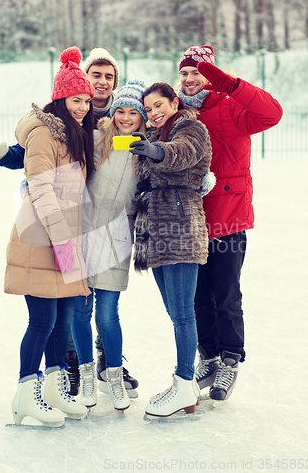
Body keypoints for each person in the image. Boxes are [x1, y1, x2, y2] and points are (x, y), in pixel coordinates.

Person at [0, 48, 139, 398]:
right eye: (93, 77)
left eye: (108, 77)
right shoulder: (58, 123)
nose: (97, 88)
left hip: (94, 231)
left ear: (115, 83)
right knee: (59, 315)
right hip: (62, 230)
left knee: (89, 311)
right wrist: (7, 156)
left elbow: (136, 144)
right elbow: (37, 157)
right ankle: (67, 371)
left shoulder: (115, 120)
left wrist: (171, 157)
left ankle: (99, 365)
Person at [177, 45, 283, 401]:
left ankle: (230, 359)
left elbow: (272, 113)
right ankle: (208, 355)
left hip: (229, 217)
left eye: (197, 72)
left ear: (211, 75)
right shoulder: (178, 113)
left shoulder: (234, 107)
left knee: (225, 294)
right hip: (191, 218)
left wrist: (229, 82)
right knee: (196, 296)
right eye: (185, 73)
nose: (190, 80)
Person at [5, 46, 95, 427]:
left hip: (64, 240)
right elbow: (41, 190)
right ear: (60, 98)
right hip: (41, 238)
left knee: (62, 320)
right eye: (76, 99)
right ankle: (26, 394)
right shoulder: (44, 134)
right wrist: (62, 240)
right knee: (41, 321)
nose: (83, 107)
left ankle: (57, 389)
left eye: (87, 101)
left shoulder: (74, 134)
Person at [129, 82, 212, 418]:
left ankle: (183, 382)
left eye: (158, 105)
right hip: (156, 232)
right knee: (175, 313)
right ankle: (186, 383)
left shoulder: (190, 127)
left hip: (180, 228)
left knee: (182, 315)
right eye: (148, 109)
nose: (153, 112)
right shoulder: (153, 133)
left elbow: (183, 152)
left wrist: (154, 152)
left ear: (174, 101)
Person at [73, 79, 147, 411]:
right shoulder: (95, 138)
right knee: (80, 310)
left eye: (134, 112)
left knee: (107, 314)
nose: (126, 118)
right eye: (122, 111)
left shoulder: (144, 148)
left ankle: (113, 378)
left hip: (118, 237)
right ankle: (87, 375)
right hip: (85, 232)